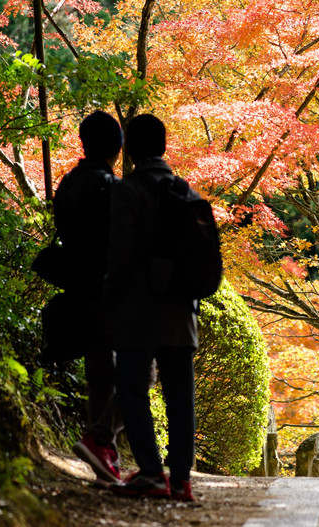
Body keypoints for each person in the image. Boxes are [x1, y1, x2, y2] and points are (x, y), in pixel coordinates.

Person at [105, 114, 199, 501]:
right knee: (180, 394)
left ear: (129, 148)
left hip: (139, 307)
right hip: (181, 308)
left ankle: (150, 472)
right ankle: (182, 480)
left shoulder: (128, 191)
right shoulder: (185, 191)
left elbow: (120, 252)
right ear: (163, 146)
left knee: (131, 386)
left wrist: (109, 297)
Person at [53, 110, 124, 484]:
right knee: (137, 373)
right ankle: (100, 441)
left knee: (100, 373)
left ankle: (103, 455)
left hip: (76, 288)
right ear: (117, 147)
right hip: (108, 291)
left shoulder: (69, 183)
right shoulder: (108, 186)